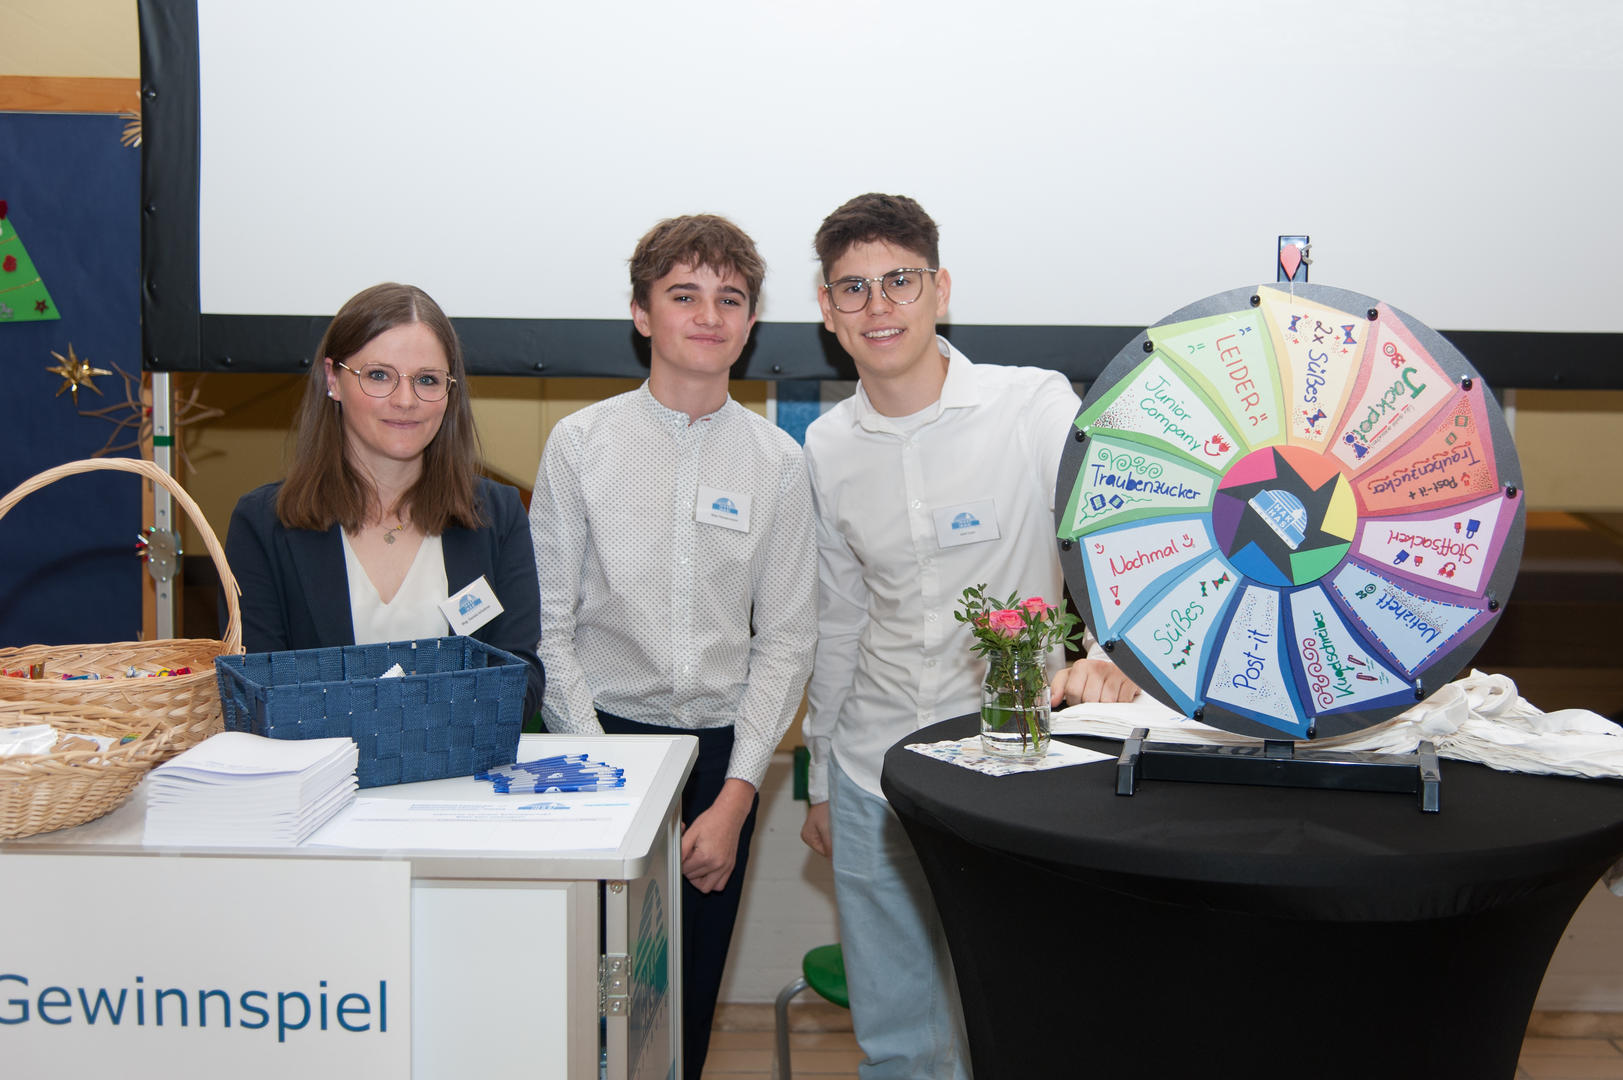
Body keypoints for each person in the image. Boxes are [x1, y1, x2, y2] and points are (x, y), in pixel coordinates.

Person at [799, 193, 1140, 1078]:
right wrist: (822, 777)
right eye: (853, 288)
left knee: (1027, 1015)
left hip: (1015, 771)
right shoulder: (826, 448)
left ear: (940, 289)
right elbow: (837, 619)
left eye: (899, 281)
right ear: (828, 311)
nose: (878, 305)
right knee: (895, 1038)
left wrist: (1112, 653)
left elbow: (1117, 529)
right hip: (871, 773)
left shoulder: (1030, 406)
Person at [529, 215, 817, 1079]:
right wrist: (599, 772)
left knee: (681, 1003)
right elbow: (548, 626)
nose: (707, 315)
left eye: (729, 298)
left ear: (750, 322)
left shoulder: (779, 463)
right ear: (641, 313)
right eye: (683, 294)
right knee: (591, 997)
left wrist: (736, 796)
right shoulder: (581, 444)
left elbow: (787, 639)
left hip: (720, 763)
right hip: (596, 745)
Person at [224, 282, 545, 718]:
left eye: (427, 380)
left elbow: (520, 685)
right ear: (333, 379)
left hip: (462, 763)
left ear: (449, 392)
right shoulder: (264, 524)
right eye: (379, 375)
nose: (405, 400)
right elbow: (257, 696)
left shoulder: (498, 516)